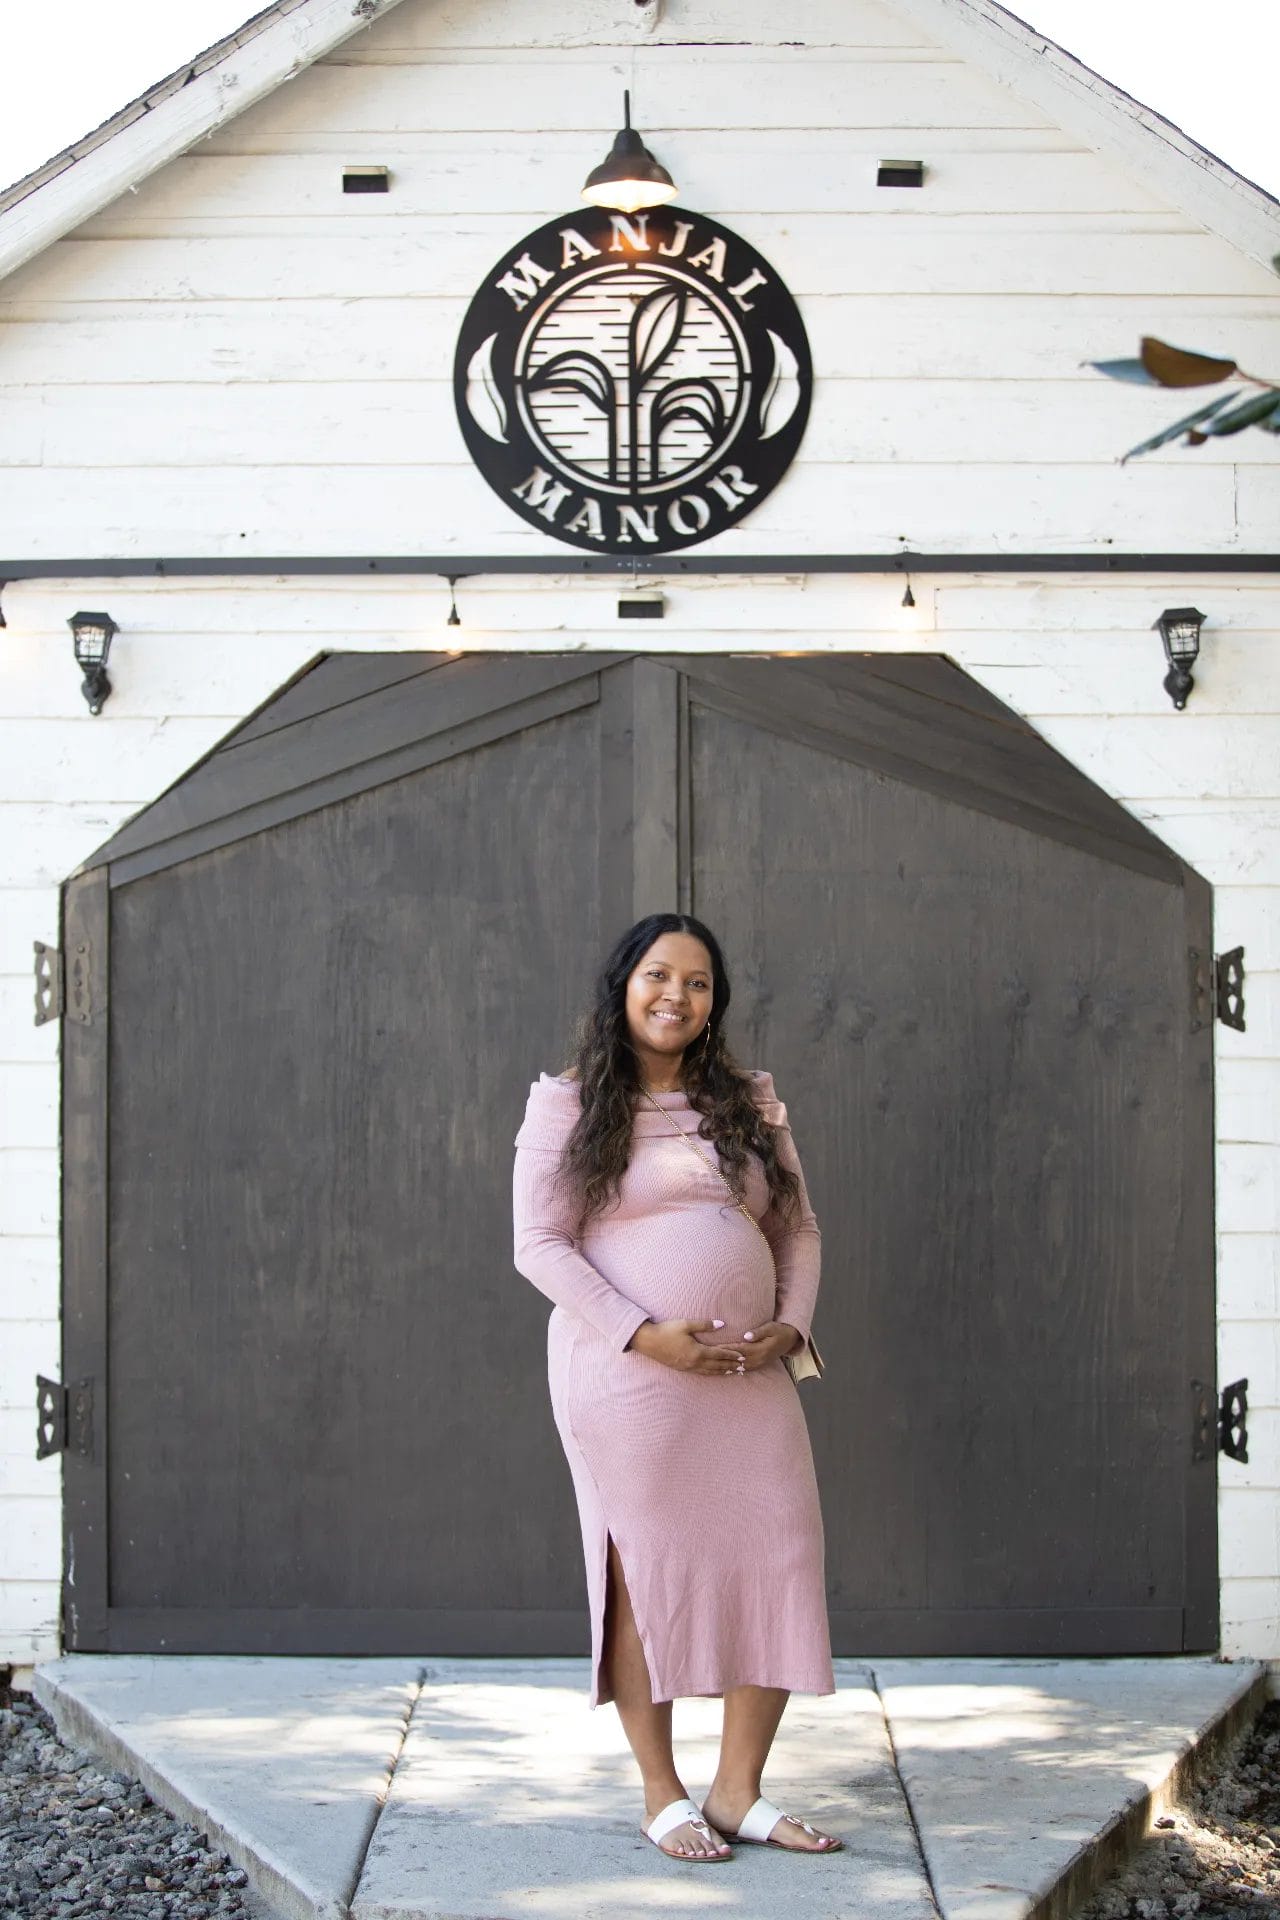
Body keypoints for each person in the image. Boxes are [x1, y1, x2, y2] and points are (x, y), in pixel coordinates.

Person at [512, 911, 842, 1863]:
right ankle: (662, 1791)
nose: (676, 996)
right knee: (639, 1569)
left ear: (714, 1003)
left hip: (748, 1374)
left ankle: (738, 1792)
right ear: (624, 984)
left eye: (698, 983)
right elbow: (538, 1244)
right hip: (628, 1379)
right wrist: (645, 1335)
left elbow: (798, 1228)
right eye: (659, 975)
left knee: (780, 1548)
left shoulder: (746, 1100)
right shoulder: (569, 1104)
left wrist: (794, 1322)